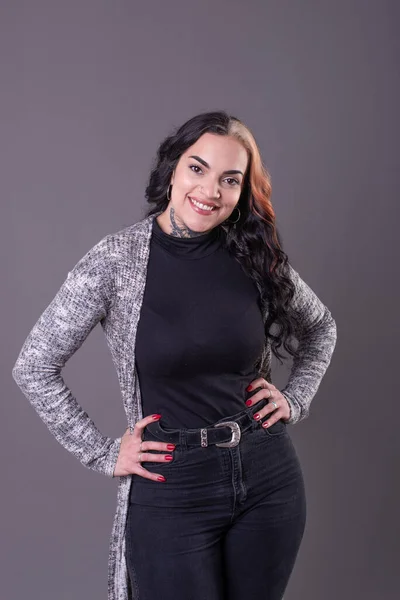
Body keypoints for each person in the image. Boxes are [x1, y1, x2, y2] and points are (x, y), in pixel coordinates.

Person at [12, 110, 337, 600]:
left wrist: (296, 398)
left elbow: (320, 328)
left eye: (230, 179)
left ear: (243, 191)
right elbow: (33, 365)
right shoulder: (116, 261)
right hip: (171, 485)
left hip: (268, 476)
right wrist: (101, 451)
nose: (209, 191)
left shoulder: (254, 254)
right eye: (197, 168)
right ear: (172, 169)